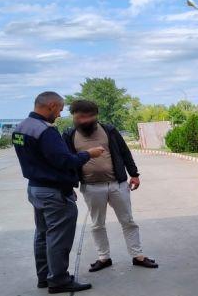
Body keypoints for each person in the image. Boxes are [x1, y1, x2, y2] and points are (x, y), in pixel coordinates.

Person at [12, 91, 105, 293]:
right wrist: (88, 154)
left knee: (43, 234)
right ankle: (59, 280)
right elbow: (64, 161)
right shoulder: (45, 131)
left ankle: (44, 276)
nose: (60, 114)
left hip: (35, 189)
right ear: (52, 105)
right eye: (60, 109)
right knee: (58, 237)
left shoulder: (21, 128)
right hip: (53, 192)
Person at [63, 99, 158, 271]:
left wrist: (134, 174)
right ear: (74, 117)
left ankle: (138, 256)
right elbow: (67, 162)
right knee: (97, 224)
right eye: (80, 117)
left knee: (128, 221)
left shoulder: (109, 130)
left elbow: (125, 152)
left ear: (96, 116)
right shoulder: (69, 135)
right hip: (91, 187)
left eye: (88, 117)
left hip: (117, 184)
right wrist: (69, 186)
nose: (84, 120)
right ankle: (104, 258)